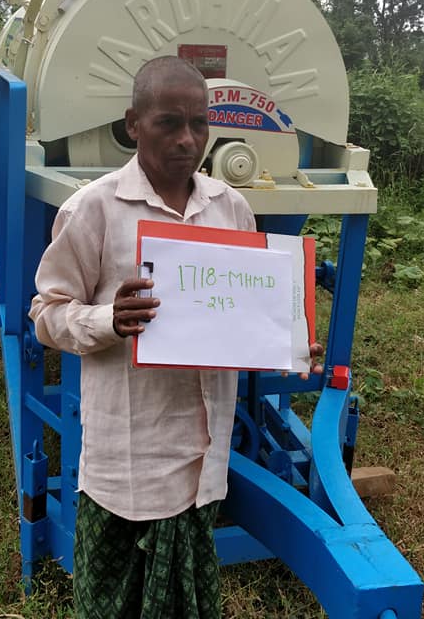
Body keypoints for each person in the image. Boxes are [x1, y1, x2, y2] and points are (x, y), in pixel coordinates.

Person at [28, 56, 321, 619]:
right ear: (133, 123)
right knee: (111, 604)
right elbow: (47, 312)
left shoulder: (230, 208)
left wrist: (289, 340)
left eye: (199, 123)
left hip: (202, 462)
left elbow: (248, 310)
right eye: (168, 122)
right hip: (127, 464)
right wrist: (109, 319)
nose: (187, 139)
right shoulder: (94, 209)